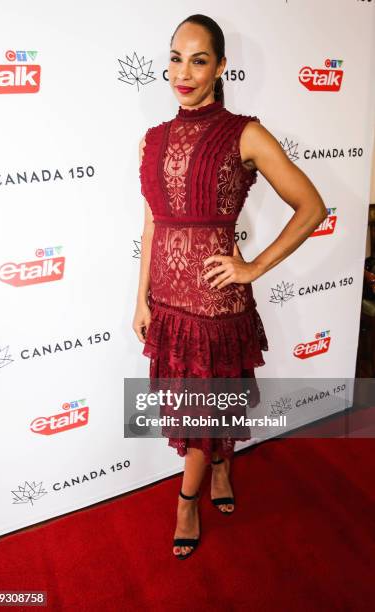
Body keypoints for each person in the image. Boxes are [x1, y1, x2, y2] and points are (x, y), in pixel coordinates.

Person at [132, 14, 327, 560]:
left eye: (198, 59)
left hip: (216, 304)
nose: (184, 71)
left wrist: (253, 267)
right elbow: (151, 224)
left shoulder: (244, 132)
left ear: (220, 66)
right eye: (176, 57)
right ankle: (222, 467)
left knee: (204, 410)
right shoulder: (153, 139)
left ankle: (186, 500)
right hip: (167, 304)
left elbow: (311, 207)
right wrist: (140, 298)